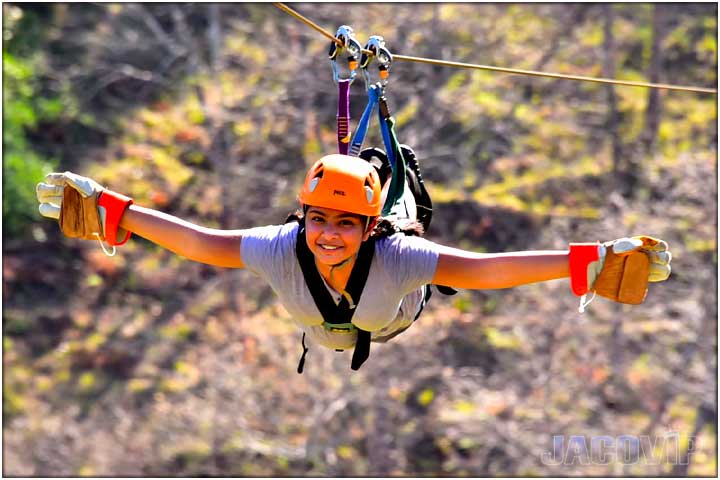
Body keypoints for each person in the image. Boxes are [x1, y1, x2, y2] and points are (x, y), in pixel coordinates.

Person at [35, 153, 672, 372]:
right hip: (328, 326)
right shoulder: (281, 248)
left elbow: (481, 270)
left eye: (346, 224)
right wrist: (114, 211)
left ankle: (394, 171)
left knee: (425, 254)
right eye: (318, 219)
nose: (329, 234)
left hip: (390, 316)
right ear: (302, 217)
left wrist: (586, 261)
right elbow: (203, 243)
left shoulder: (398, 256)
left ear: (370, 228)